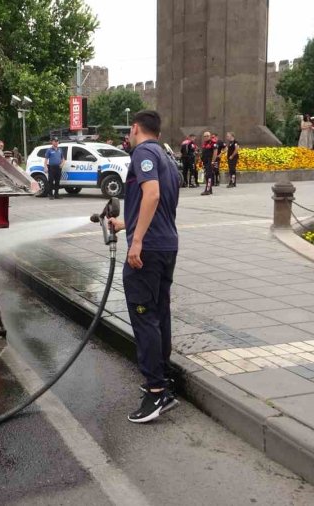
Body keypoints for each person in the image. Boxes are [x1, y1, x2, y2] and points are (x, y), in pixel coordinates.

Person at [107, 110, 181, 423]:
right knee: (158, 313)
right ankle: (163, 380)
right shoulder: (166, 157)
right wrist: (126, 224)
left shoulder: (142, 153)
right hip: (165, 246)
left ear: (135, 128)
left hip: (147, 251)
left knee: (143, 316)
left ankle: (155, 393)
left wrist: (136, 242)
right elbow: (160, 204)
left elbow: (151, 194)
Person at [199, 131, 218, 195]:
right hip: (205, 162)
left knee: (208, 176)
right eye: (204, 136)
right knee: (207, 176)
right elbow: (203, 152)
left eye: (207, 136)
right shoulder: (205, 143)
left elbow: (215, 152)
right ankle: (210, 190)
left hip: (210, 161)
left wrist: (213, 161)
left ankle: (207, 190)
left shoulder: (213, 143)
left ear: (210, 136)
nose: (206, 137)